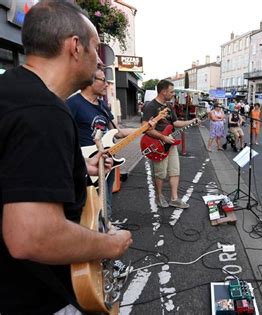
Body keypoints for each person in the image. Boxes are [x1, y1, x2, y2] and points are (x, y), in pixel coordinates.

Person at [0, 1, 133, 313]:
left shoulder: (11, 91)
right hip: (34, 297)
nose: (99, 61)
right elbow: (31, 237)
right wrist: (110, 244)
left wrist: (77, 168)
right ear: (75, 47)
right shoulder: (44, 112)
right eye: (96, 48)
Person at [68, 68, 148, 220]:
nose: (107, 84)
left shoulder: (103, 106)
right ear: (91, 81)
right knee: (87, 209)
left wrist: (144, 129)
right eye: (103, 80)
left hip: (107, 163)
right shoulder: (73, 104)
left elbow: (117, 132)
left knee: (105, 204)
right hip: (86, 166)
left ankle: (106, 230)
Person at [142, 79, 199, 209]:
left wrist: (191, 121)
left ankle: (174, 199)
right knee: (160, 173)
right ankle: (159, 196)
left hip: (170, 143)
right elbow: (145, 127)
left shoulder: (169, 106)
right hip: (158, 144)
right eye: (171, 91)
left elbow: (175, 123)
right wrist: (163, 137)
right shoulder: (150, 106)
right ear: (163, 91)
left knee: (175, 171)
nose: (173, 94)